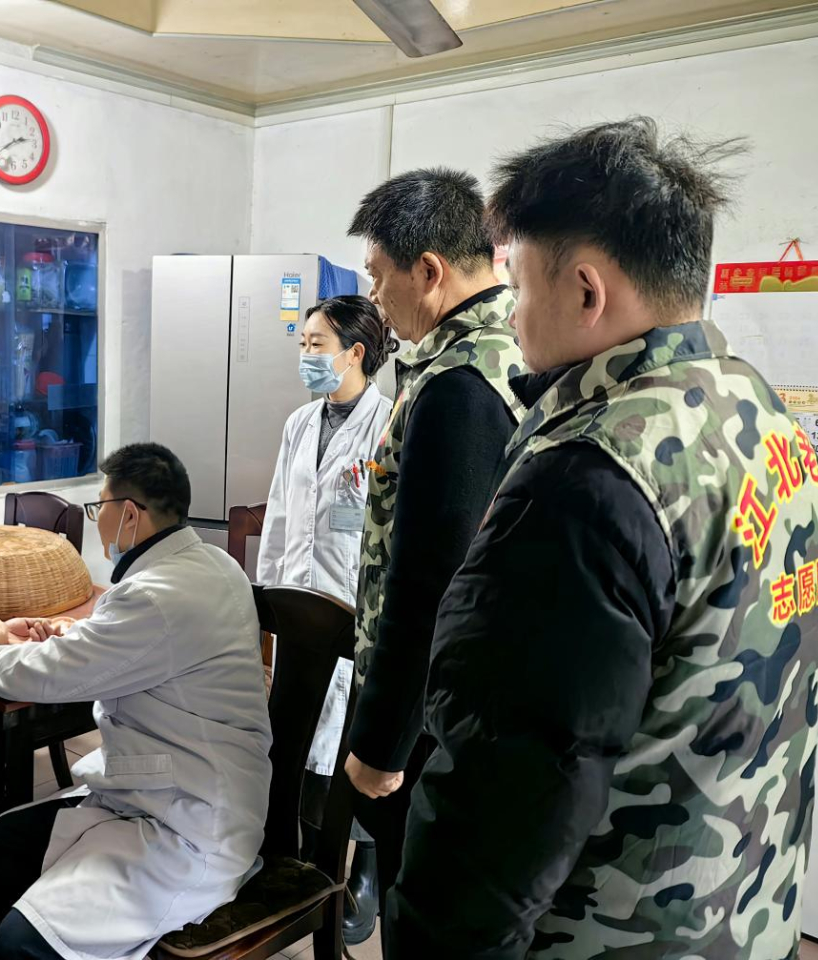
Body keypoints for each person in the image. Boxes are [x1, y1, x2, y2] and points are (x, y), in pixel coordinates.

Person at [389, 118, 818, 958]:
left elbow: (505, 801)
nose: (513, 315)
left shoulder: (591, 479)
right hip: (746, 915)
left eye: (518, 285)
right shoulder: (763, 415)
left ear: (586, 291)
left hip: (609, 934)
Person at [0, 443, 272, 960]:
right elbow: (144, 645)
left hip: (189, 827)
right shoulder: (209, 564)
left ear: (129, 513)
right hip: (165, 790)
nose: (98, 520)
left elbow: (47, 676)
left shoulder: (155, 595)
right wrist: (77, 634)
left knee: (22, 943)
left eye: (98, 507)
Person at [341, 168, 526, 951]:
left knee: (419, 903)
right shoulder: (514, 348)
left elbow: (430, 581)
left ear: (428, 270)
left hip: (437, 716)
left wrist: (382, 742)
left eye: (378, 275)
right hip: (476, 697)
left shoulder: (459, 385)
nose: (373, 296)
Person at [255, 294, 393, 942]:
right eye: (303, 345)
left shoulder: (387, 423)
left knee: (349, 749)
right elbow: (281, 514)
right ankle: (294, 859)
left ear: (354, 352)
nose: (306, 356)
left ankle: (360, 868)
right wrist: (267, 603)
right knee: (293, 738)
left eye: (316, 345)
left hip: (354, 616)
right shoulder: (299, 423)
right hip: (298, 609)